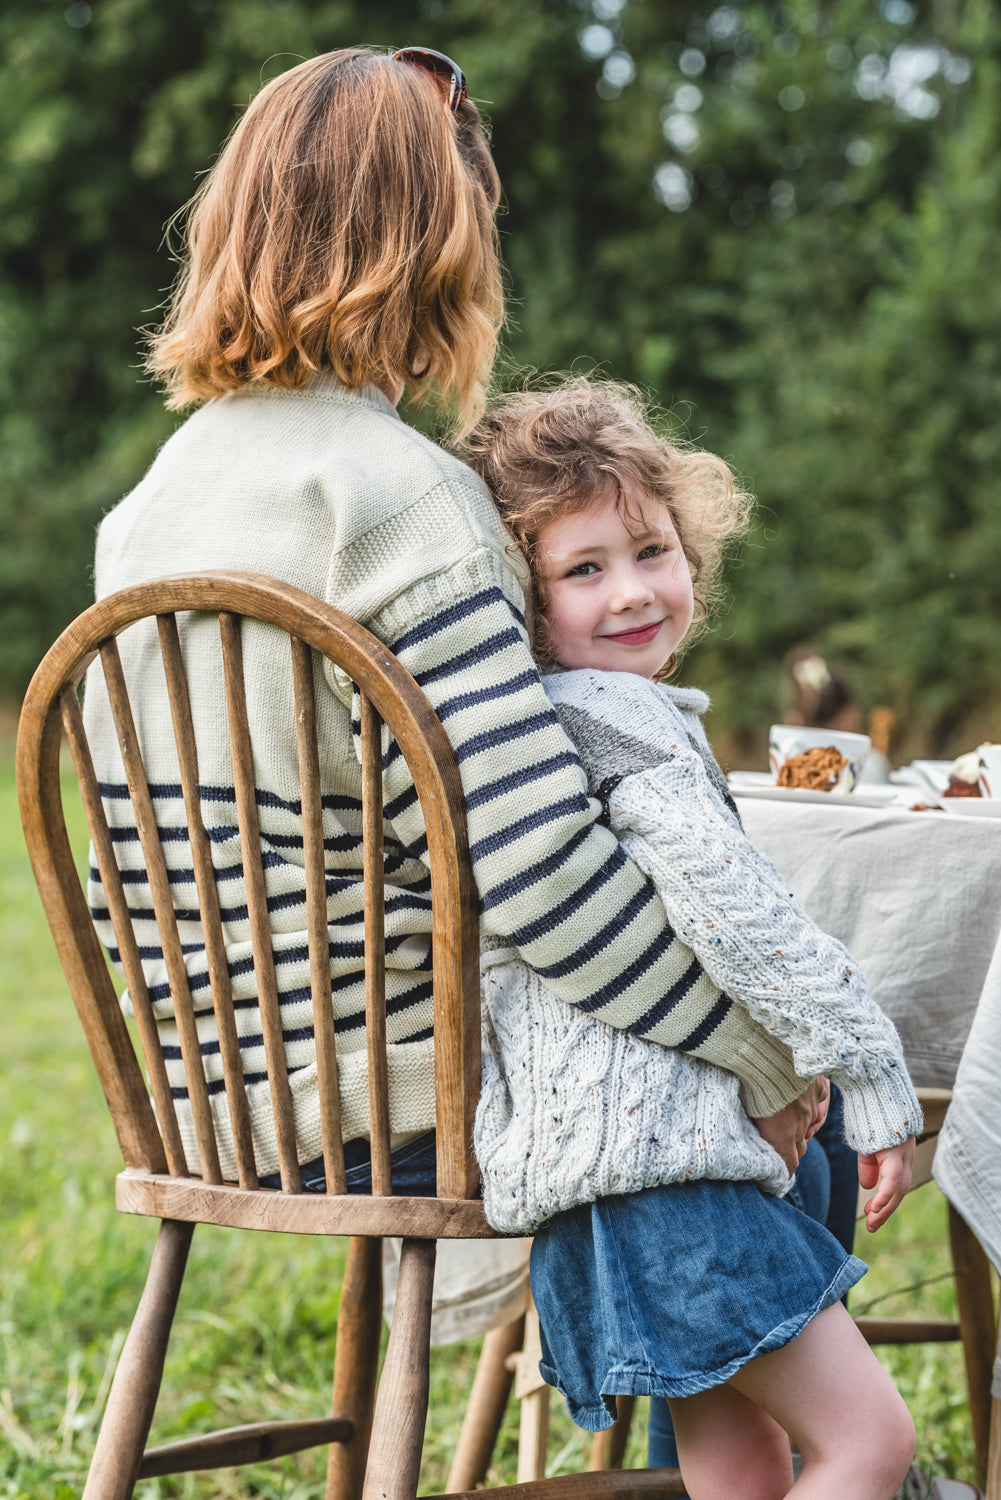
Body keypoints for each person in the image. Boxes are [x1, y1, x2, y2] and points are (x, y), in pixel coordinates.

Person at [81, 48, 813, 1202]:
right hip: (409, 1094)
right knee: (801, 1151)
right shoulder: (404, 500)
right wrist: (762, 1054)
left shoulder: (145, 512)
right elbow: (536, 870)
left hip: (207, 1106)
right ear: (433, 240)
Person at [462, 377, 922, 1500]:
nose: (630, 592)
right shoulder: (617, 724)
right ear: (522, 601)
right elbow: (745, 925)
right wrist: (870, 1073)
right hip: (676, 1190)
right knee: (866, 1444)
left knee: (744, 1463)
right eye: (582, 569)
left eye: (651, 551)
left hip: (600, 1200)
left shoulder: (537, 732)